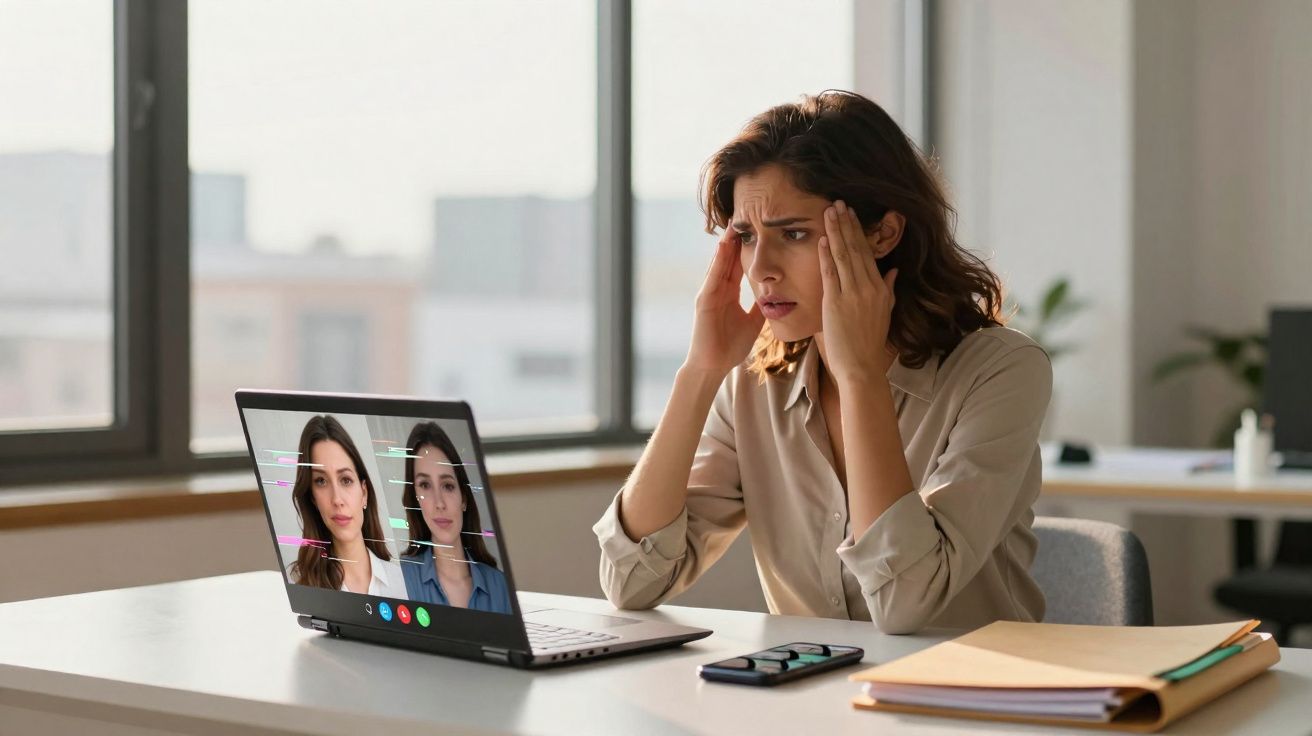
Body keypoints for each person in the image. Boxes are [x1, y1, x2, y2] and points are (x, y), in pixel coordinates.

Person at [593, 90, 1052, 634]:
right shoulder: (751, 383)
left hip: (969, 706)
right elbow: (632, 582)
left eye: (793, 234)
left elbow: (906, 603)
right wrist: (700, 373)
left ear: (882, 233)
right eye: (745, 236)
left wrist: (859, 379)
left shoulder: (1000, 370)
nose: (760, 268)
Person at [288, 415, 407, 597]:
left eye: (346, 480)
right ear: (313, 498)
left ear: (364, 493)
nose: (337, 499)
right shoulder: (301, 587)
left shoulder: (403, 583)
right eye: (321, 481)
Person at [399, 421, 512, 614]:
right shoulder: (400, 578)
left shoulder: (500, 586)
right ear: (415, 499)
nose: (439, 503)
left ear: (464, 499)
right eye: (425, 485)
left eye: (448, 486)